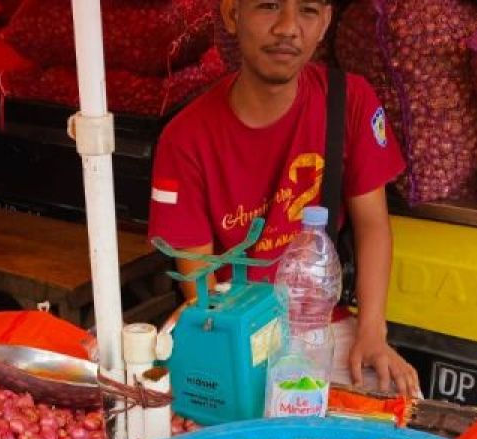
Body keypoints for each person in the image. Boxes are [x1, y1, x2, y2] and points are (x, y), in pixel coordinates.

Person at [148, 0, 420, 397]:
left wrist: (373, 331)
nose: (288, 27)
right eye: (269, 6)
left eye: (308, 11)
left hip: (319, 323)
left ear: (325, 22)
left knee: (398, 402)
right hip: (231, 326)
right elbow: (200, 290)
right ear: (231, 14)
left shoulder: (349, 100)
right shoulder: (185, 137)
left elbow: (373, 225)